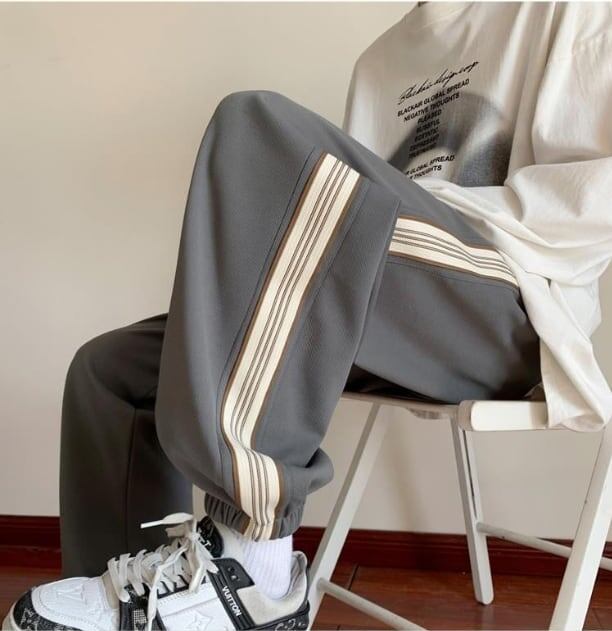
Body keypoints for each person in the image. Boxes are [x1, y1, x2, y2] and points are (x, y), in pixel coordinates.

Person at [4, 3, 611, 630]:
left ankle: (252, 569)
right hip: (390, 305)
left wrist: (434, 209)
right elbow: (338, 217)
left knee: (255, 124)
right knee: (112, 369)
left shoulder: (570, 9)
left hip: (512, 308)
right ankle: (142, 600)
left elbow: (592, 202)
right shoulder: (383, 59)